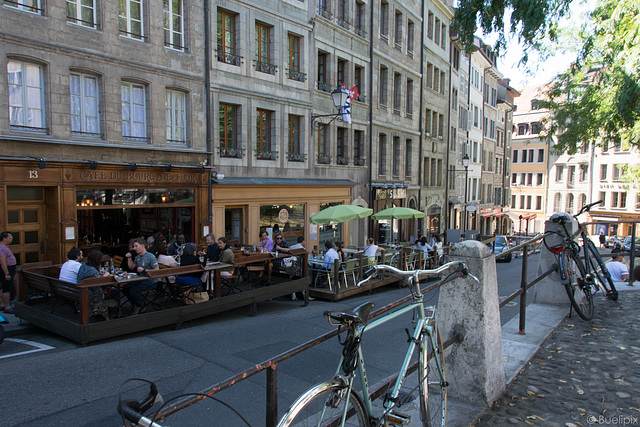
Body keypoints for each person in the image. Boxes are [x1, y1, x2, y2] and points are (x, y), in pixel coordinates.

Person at [124, 238, 160, 315]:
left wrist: (144, 270)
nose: (134, 248)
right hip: (141, 279)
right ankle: (136, 303)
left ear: (142, 246)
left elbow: (157, 271)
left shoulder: (150, 257)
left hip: (151, 281)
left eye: (136, 246)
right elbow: (131, 267)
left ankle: (140, 304)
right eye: (134, 246)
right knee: (125, 288)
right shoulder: (138, 257)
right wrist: (129, 258)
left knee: (132, 290)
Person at [0, 231, 17, 314]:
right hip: (6, 269)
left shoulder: (4, 247)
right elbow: (2, 261)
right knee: (7, 288)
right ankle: (7, 307)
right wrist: (7, 273)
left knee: (3, 287)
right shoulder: (2, 248)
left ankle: (2, 304)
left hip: (8, 268)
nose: (11, 239)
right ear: (4, 238)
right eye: (10, 237)